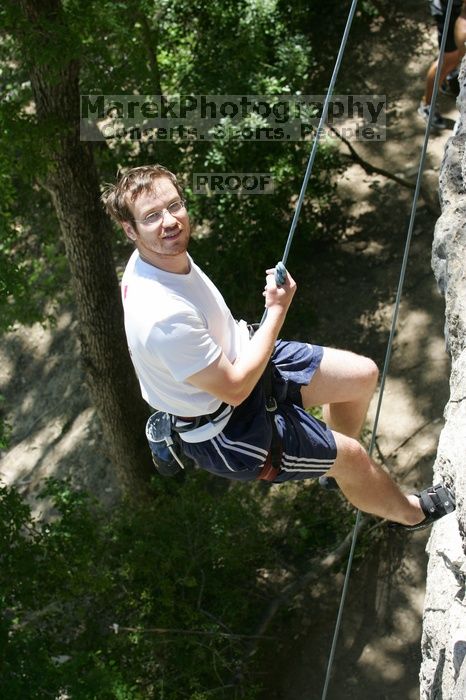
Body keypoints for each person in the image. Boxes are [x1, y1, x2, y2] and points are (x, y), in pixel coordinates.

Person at [101, 164, 455, 531]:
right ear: (130, 230)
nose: (169, 221)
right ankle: (413, 514)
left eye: (174, 206)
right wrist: (277, 311)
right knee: (352, 457)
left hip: (245, 358)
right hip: (225, 427)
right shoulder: (161, 315)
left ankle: (338, 472)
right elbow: (235, 389)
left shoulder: (160, 256)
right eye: (152, 216)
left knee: (361, 375)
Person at [419, 0, 466, 129]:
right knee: (448, 60)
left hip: (457, 8)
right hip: (449, 10)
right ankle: (427, 105)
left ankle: (450, 80)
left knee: (455, 57)